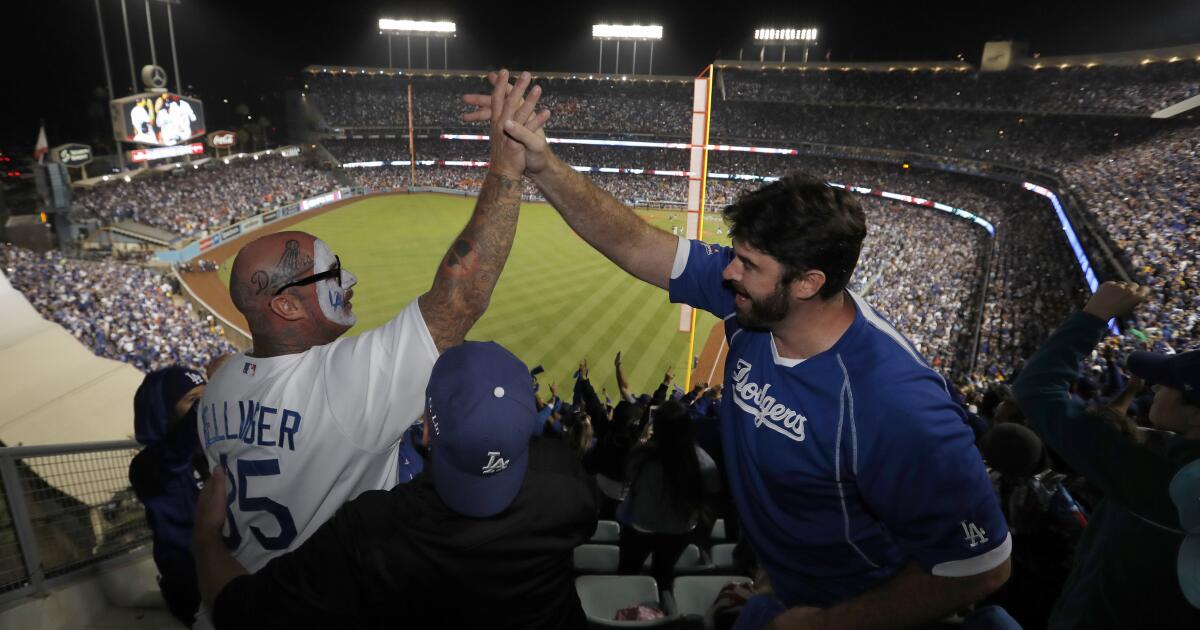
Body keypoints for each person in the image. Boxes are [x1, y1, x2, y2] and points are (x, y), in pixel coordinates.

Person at [464, 80, 1010, 629]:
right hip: (779, 583)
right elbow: (635, 244)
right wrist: (543, 164)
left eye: (748, 264)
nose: (727, 273)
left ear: (807, 282)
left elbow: (982, 567)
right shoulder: (757, 303)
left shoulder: (895, 405)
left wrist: (823, 622)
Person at [197, 70, 550, 575]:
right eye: (331, 274)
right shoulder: (344, 390)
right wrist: (507, 166)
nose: (351, 280)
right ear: (287, 307)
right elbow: (461, 297)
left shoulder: (219, 388)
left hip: (240, 602)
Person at [192, 342, 599, 629]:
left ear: (425, 430)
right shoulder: (566, 481)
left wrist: (207, 533)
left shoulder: (369, 530)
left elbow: (240, 613)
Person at [1012, 281, 1200, 629]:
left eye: (1168, 383)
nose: (1156, 387)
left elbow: (1036, 388)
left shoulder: (1157, 480)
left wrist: (1094, 314)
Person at [128, 366, 208, 626]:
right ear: (163, 411)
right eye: (193, 399)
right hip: (191, 585)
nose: (205, 405)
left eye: (207, 396)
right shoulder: (148, 466)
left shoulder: (205, 453)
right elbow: (174, 451)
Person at [616, 400, 721, 589]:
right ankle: (663, 609)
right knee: (663, 573)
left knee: (627, 571)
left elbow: (629, 478)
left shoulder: (640, 455)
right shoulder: (704, 463)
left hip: (640, 526)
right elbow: (712, 494)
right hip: (679, 530)